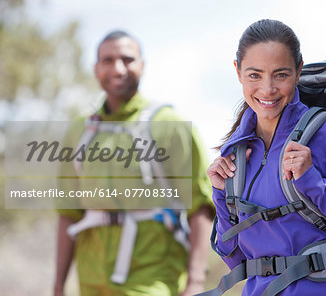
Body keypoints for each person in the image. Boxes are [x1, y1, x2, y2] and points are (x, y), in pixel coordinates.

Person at [206, 19, 326, 295]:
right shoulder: (236, 153)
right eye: (255, 75)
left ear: (298, 71)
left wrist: (314, 185)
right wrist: (220, 196)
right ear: (238, 72)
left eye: (280, 74)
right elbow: (236, 260)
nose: (268, 89)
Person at [54, 30, 214, 296]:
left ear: (142, 65)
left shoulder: (172, 126)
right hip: (90, 282)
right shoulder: (78, 132)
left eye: (127, 59)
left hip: (154, 279)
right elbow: (68, 212)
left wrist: (195, 283)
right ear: (96, 68)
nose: (118, 68)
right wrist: (58, 286)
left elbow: (200, 207)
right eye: (108, 60)